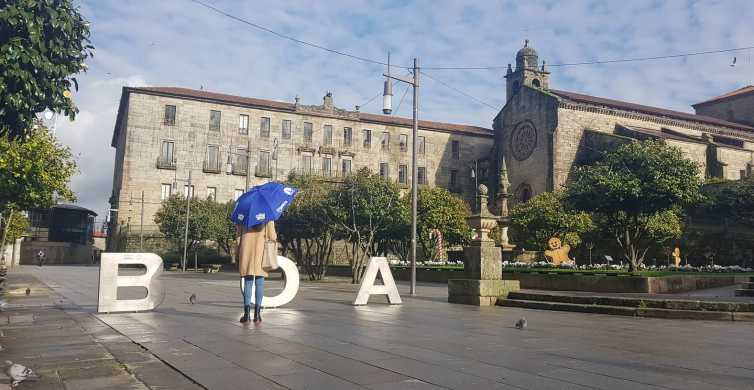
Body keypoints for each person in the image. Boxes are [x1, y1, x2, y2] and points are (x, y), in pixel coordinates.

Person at [237, 220, 276, 323]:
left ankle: (246, 315)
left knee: (248, 282)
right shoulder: (267, 216)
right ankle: (257, 315)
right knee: (260, 282)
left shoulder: (244, 215)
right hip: (261, 250)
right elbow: (272, 236)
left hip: (246, 251)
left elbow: (238, 238)